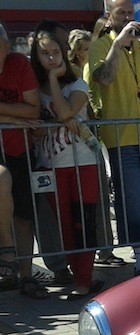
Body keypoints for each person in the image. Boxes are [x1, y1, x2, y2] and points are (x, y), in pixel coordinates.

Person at [85, 0, 140, 276]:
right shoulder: (100, 46)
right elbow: (104, 78)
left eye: (130, 13)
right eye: (121, 13)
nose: (127, 18)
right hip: (122, 136)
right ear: (108, 16)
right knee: (133, 199)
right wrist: (118, 44)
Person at [31, 28, 103, 298]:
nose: (51, 58)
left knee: (83, 222)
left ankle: (84, 280)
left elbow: (64, 111)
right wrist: (56, 122)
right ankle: (77, 275)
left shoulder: (77, 85)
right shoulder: (33, 90)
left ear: (64, 53)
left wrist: (53, 79)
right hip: (49, 165)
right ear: (36, 56)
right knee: (64, 226)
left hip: (82, 162)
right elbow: (35, 129)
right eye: (45, 54)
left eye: (55, 52)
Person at [0, 21, 44, 298]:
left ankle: (26, 275)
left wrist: (7, 115)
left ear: (7, 46)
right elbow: (25, 111)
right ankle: (6, 254)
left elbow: (34, 111)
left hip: (19, 150)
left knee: (24, 216)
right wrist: (13, 117)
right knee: (1, 180)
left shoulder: (18, 64)